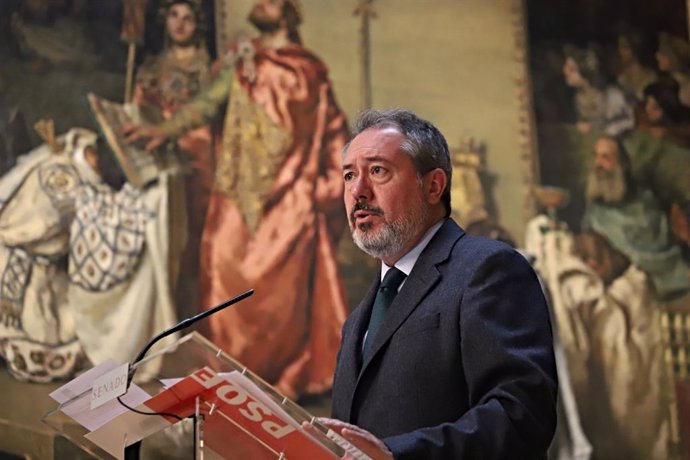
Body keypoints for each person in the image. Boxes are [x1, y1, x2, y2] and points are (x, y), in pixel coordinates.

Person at [124, 0, 349, 399]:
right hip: (239, 192)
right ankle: (228, 376)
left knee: (280, 294)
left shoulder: (310, 69)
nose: (260, 3)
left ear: (288, 13)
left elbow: (332, 131)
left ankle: (283, 379)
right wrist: (167, 130)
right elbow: (206, 103)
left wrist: (329, 184)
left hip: (292, 196)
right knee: (221, 265)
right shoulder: (244, 60)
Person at [318, 109, 558, 459]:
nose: (358, 191)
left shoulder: (487, 269)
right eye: (349, 175)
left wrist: (396, 455)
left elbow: (521, 415)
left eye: (377, 171)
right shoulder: (357, 321)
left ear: (433, 186)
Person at [132, 0, 214, 318]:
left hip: (196, 155)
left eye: (188, 18)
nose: (180, 24)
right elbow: (139, 109)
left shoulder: (208, 67)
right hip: (158, 151)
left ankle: (193, 312)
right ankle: (161, 311)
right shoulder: (151, 65)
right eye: (175, 16)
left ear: (198, 25)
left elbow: (208, 113)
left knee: (192, 235)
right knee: (159, 231)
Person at [582, 135, 689, 300]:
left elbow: (658, 256)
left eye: (606, 157)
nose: (598, 164)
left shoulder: (646, 204)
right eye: (596, 156)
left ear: (623, 165)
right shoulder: (594, 210)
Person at [562, 45, 634, 136]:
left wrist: (595, 128)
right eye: (566, 67)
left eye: (572, 69)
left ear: (586, 73)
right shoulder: (577, 98)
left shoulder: (612, 95)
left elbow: (627, 122)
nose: (565, 72)